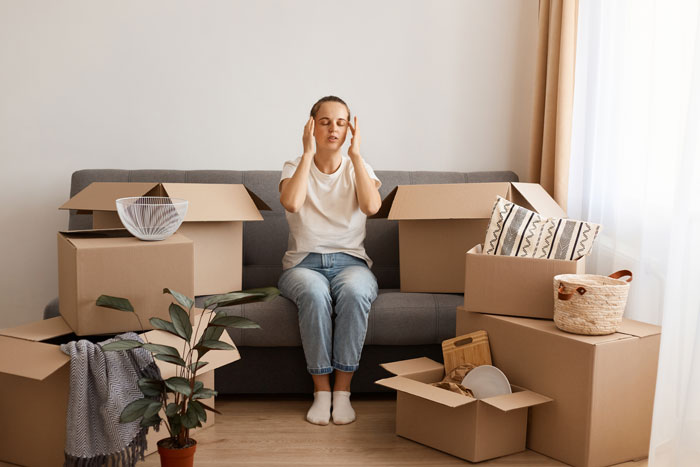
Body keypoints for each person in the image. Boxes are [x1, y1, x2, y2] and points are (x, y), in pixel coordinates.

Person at [278, 96, 382, 425]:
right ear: (311, 126)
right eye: (325, 122)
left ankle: (343, 393)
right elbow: (292, 204)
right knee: (313, 293)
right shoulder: (294, 166)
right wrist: (308, 153)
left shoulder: (359, 167)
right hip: (303, 265)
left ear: (349, 128)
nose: (333, 129)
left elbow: (372, 207)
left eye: (341, 122)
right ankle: (321, 392)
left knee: (354, 292)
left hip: (351, 263)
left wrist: (355, 155)